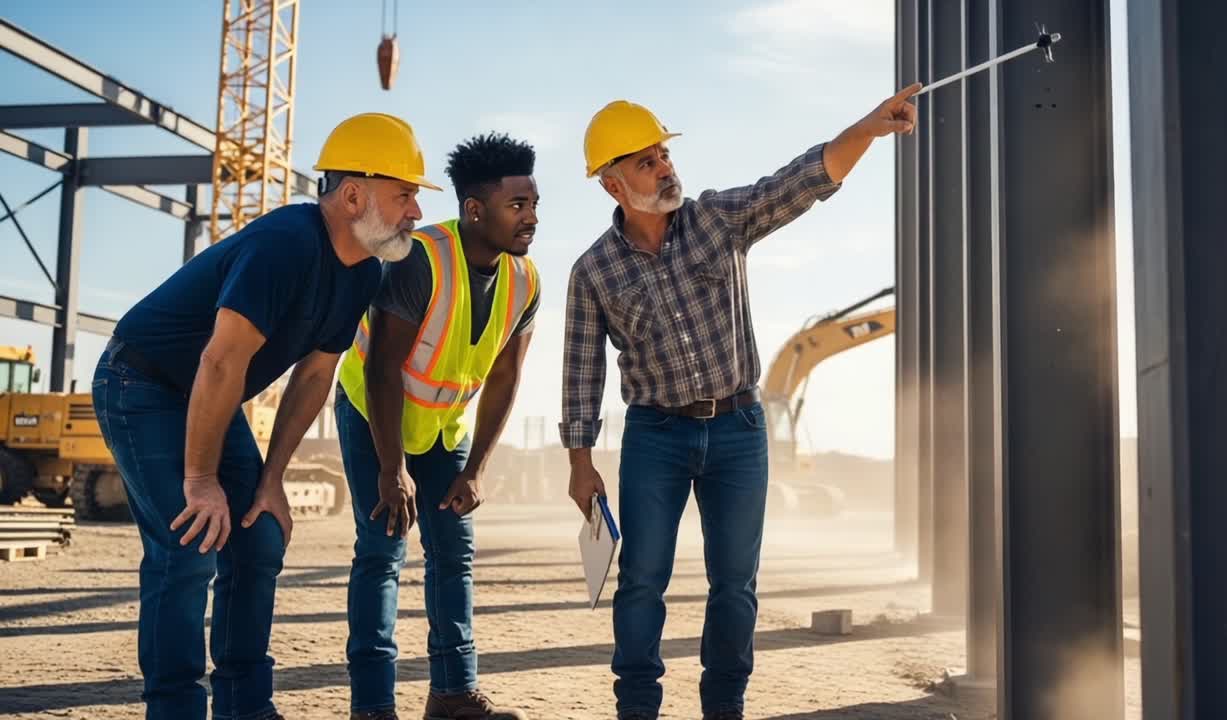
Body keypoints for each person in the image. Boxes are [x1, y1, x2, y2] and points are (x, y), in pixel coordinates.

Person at [559, 85, 921, 720]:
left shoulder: (716, 219)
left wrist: (867, 127)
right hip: (655, 437)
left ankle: (724, 707)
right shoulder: (593, 272)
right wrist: (579, 462)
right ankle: (636, 708)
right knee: (641, 579)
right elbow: (581, 370)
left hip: (739, 429)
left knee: (735, 585)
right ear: (613, 186)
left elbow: (800, 182)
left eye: (662, 154)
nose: (665, 167)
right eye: (645, 162)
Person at [91, 112, 437, 720]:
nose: (415, 212)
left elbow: (313, 376)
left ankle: (245, 706)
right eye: (404, 194)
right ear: (354, 194)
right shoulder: (285, 243)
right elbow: (222, 361)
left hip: (208, 398)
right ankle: (174, 710)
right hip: (141, 383)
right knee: (189, 544)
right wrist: (200, 482)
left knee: (260, 536)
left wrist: (272, 478)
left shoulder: (366, 271)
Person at [334, 132, 541, 720]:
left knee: (454, 551)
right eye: (517, 206)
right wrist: (392, 468)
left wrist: (475, 469)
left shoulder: (526, 280)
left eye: (533, 205)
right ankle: (372, 707)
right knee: (382, 551)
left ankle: (453, 695)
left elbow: (505, 377)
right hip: (374, 415)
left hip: (444, 430)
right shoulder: (420, 258)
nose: (530, 219)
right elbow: (379, 371)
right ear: (475, 210)